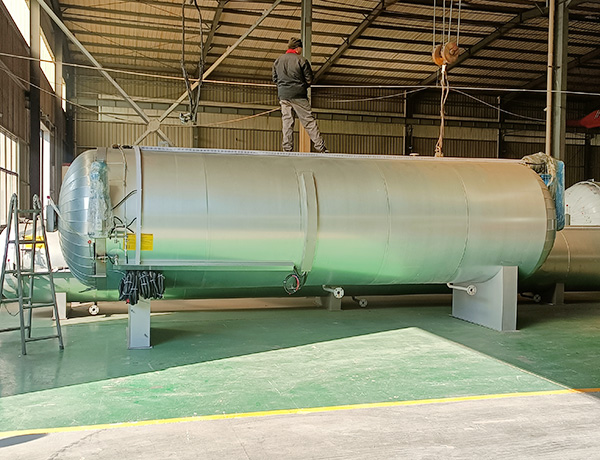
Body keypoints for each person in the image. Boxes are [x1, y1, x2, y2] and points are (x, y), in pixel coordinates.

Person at [272, 37, 328, 153]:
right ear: (297, 48)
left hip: (284, 96)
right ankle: (321, 148)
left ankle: (287, 149)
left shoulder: (278, 61)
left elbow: (275, 79)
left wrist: (284, 87)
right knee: (308, 122)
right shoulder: (302, 60)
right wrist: (301, 87)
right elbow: (309, 80)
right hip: (299, 96)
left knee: (287, 122)